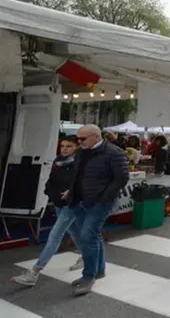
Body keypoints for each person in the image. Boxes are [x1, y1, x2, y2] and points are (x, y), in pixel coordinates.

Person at [12, 136, 84, 286]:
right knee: (74, 232)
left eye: (68, 146)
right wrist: (52, 194)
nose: (64, 148)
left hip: (71, 204)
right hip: (58, 202)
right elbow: (50, 182)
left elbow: (82, 183)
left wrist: (71, 191)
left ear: (76, 147)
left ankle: (34, 272)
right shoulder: (58, 161)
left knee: (54, 236)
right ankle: (85, 256)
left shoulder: (80, 163)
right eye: (62, 145)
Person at [68, 125, 129, 296]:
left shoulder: (114, 152)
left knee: (88, 236)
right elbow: (77, 175)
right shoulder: (82, 152)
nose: (79, 142)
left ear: (96, 136)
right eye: (78, 138)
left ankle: (88, 276)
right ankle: (99, 270)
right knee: (90, 235)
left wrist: (104, 196)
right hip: (79, 200)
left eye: (82, 139)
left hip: (100, 202)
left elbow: (122, 178)